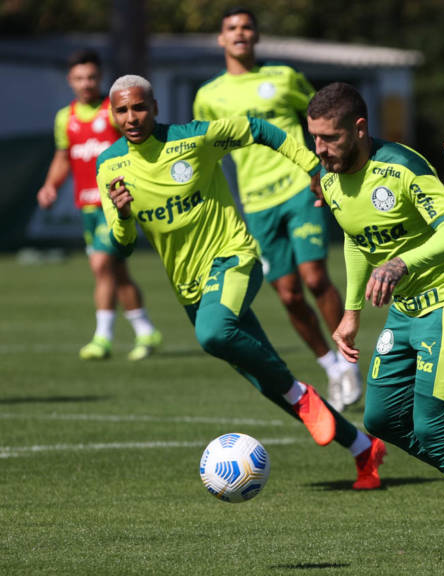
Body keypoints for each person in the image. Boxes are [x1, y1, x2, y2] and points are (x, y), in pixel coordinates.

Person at [98, 74, 385, 490]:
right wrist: (124, 216)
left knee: (214, 334)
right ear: (112, 114)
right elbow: (121, 246)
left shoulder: (193, 139)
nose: (131, 117)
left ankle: (303, 397)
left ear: (155, 107)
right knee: (267, 381)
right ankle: (363, 448)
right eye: (122, 110)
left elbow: (262, 129)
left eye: (139, 107)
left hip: (234, 259)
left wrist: (314, 168)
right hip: (190, 289)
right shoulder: (109, 165)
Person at [307, 82, 444, 565]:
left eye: (330, 138)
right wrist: (351, 313)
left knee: (433, 427)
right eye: (314, 138)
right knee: (381, 419)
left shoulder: (402, 167)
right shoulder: (330, 179)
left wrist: (401, 262)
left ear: (359, 129)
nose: (320, 149)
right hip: (404, 312)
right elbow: (357, 239)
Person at [193, 7, 361, 412]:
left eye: (247, 26)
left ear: (256, 35)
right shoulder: (208, 97)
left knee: (315, 277)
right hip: (256, 202)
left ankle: (348, 361)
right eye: (232, 28)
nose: (240, 33)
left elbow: (323, 114)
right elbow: (205, 152)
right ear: (221, 39)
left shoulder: (283, 77)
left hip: (299, 187)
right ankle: (330, 367)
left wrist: (326, 165)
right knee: (288, 294)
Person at [37, 49, 161, 361]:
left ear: (100, 77)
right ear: (70, 80)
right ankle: (146, 330)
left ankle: (102, 338)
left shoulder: (114, 111)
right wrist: (50, 186)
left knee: (101, 265)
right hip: (87, 207)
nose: (86, 83)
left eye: (91, 77)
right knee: (115, 271)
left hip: (115, 203)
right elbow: (63, 157)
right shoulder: (65, 118)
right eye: (79, 78)